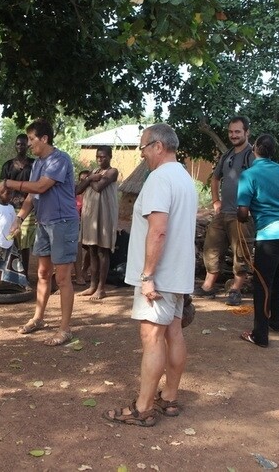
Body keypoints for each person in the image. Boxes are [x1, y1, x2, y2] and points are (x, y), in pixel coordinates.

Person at [103, 123, 197, 427]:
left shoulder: (159, 179)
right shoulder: (184, 178)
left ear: (158, 146)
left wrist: (147, 276)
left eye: (143, 147)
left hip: (160, 277)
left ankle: (143, 407)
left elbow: (158, 231)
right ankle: (169, 398)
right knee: (174, 332)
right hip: (178, 273)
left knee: (152, 335)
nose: (142, 154)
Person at [4, 119, 79, 347]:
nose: (29, 144)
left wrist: (8, 183)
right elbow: (32, 197)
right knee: (44, 273)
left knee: (63, 277)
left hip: (62, 222)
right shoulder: (37, 164)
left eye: (32, 139)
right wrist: (18, 219)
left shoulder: (59, 159)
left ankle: (65, 329)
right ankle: (38, 318)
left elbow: (40, 187)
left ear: (44, 139)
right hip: (44, 223)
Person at [237, 134, 279, 348]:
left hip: (270, 234)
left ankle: (260, 335)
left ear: (254, 148)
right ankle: (276, 321)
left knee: (262, 284)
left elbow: (243, 212)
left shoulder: (249, 174)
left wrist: (243, 216)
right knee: (274, 277)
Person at [194, 116, 255, 306]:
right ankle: (208, 287)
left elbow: (260, 181)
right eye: (231, 132)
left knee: (241, 253)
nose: (233, 135)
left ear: (247, 132)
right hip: (223, 213)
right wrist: (215, 201)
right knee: (211, 248)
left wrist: (250, 208)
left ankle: (235, 290)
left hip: (242, 215)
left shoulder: (253, 155)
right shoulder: (227, 154)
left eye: (237, 132)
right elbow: (215, 179)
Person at [76, 146, 119, 301]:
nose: (100, 159)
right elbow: (77, 190)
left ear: (110, 157)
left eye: (103, 157)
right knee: (92, 250)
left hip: (104, 216)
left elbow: (99, 187)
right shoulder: (93, 173)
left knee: (103, 251)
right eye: (98, 157)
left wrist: (88, 180)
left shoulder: (112, 172)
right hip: (91, 216)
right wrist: (88, 179)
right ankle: (92, 286)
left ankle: (101, 288)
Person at [0, 133, 36, 275]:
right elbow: (2, 187)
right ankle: (11, 274)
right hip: (10, 208)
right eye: (18, 144)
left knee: (24, 243)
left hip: (27, 208)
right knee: (11, 241)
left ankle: (24, 274)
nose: (20, 146)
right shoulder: (8, 165)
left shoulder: (33, 164)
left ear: (28, 145)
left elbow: (36, 186)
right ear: (15, 145)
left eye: (23, 143)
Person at [74, 169, 91, 286]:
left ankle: (85, 270)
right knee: (77, 247)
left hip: (89, 224)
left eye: (86, 179)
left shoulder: (93, 193)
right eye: (81, 180)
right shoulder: (75, 192)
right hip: (77, 223)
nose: (84, 182)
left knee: (92, 248)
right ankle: (78, 275)